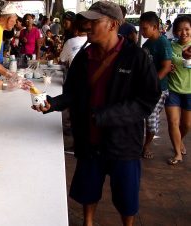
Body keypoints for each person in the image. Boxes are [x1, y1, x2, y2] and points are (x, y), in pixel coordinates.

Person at [32, 2, 160, 225]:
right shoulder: (84, 56)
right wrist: (52, 103)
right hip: (89, 141)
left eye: (94, 22)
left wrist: (105, 116)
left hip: (123, 143)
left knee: (126, 195)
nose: (87, 26)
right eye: (86, 21)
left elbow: (147, 100)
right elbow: (73, 93)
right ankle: (88, 222)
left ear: (113, 24)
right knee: (87, 189)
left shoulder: (135, 57)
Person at [140, 11, 172, 159]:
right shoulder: (146, 44)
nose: (142, 31)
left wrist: (152, 83)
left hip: (159, 89)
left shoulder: (163, 42)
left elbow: (166, 67)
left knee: (151, 120)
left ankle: (147, 145)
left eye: (145, 28)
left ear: (155, 27)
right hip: (146, 88)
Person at [165, 16, 191, 165]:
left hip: (189, 90)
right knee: (173, 122)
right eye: (180, 30)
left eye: (187, 29)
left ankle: (180, 139)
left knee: (186, 125)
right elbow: (164, 61)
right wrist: (167, 67)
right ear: (175, 32)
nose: (184, 33)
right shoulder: (170, 46)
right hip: (173, 89)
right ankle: (177, 153)